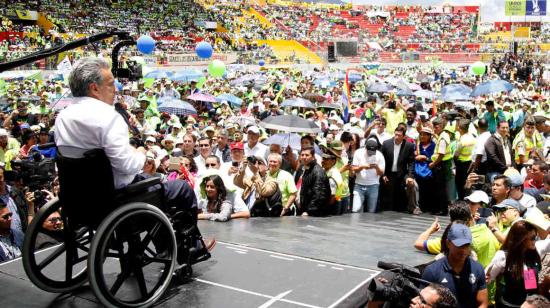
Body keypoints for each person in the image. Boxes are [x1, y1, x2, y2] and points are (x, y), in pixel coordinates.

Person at [54, 58, 214, 249]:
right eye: (111, 84)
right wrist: (140, 154)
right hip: (115, 197)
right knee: (181, 188)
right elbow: (126, 166)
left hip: (77, 196)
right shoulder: (108, 116)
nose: (116, 89)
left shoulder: (63, 116)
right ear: (94, 88)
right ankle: (190, 246)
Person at [421, 223, 489, 308]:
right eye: (459, 245)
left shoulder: (478, 269)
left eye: (467, 245)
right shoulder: (432, 271)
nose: (464, 250)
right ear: (448, 243)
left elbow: (483, 304)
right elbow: (422, 302)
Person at [486, 221, 544, 306]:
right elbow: (487, 278)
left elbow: (530, 285)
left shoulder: (535, 250)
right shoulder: (503, 256)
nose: (535, 240)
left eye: (536, 237)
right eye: (532, 238)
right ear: (520, 239)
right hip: (510, 305)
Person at [380, 126, 416, 213]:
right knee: (388, 196)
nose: (396, 137)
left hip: (401, 174)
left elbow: (411, 162)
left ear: (404, 136)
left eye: (399, 135)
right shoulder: (386, 144)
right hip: (388, 173)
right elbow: (381, 160)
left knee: (400, 196)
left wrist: (410, 176)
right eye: (395, 134)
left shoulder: (409, 146)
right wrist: (383, 174)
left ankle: (411, 208)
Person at [352, 138, 385, 213]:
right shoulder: (358, 153)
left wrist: (376, 167)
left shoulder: (380, 155)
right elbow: (354, 169)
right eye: (369, 152)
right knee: (356, 210)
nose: (370, 154)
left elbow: (381, 173)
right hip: (359, 185)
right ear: (365, 148)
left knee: (371, 211)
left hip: (373, 185)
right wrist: (362, 167)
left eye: (372, 152)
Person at [295, 147, 330, 216]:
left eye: (307, 155)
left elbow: (319, 195)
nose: (304, 157)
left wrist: (309, 212)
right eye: (302, 155)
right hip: (300, 210)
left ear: (313, 157)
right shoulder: (301, 168)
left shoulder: (318, 172)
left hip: (312, 214)